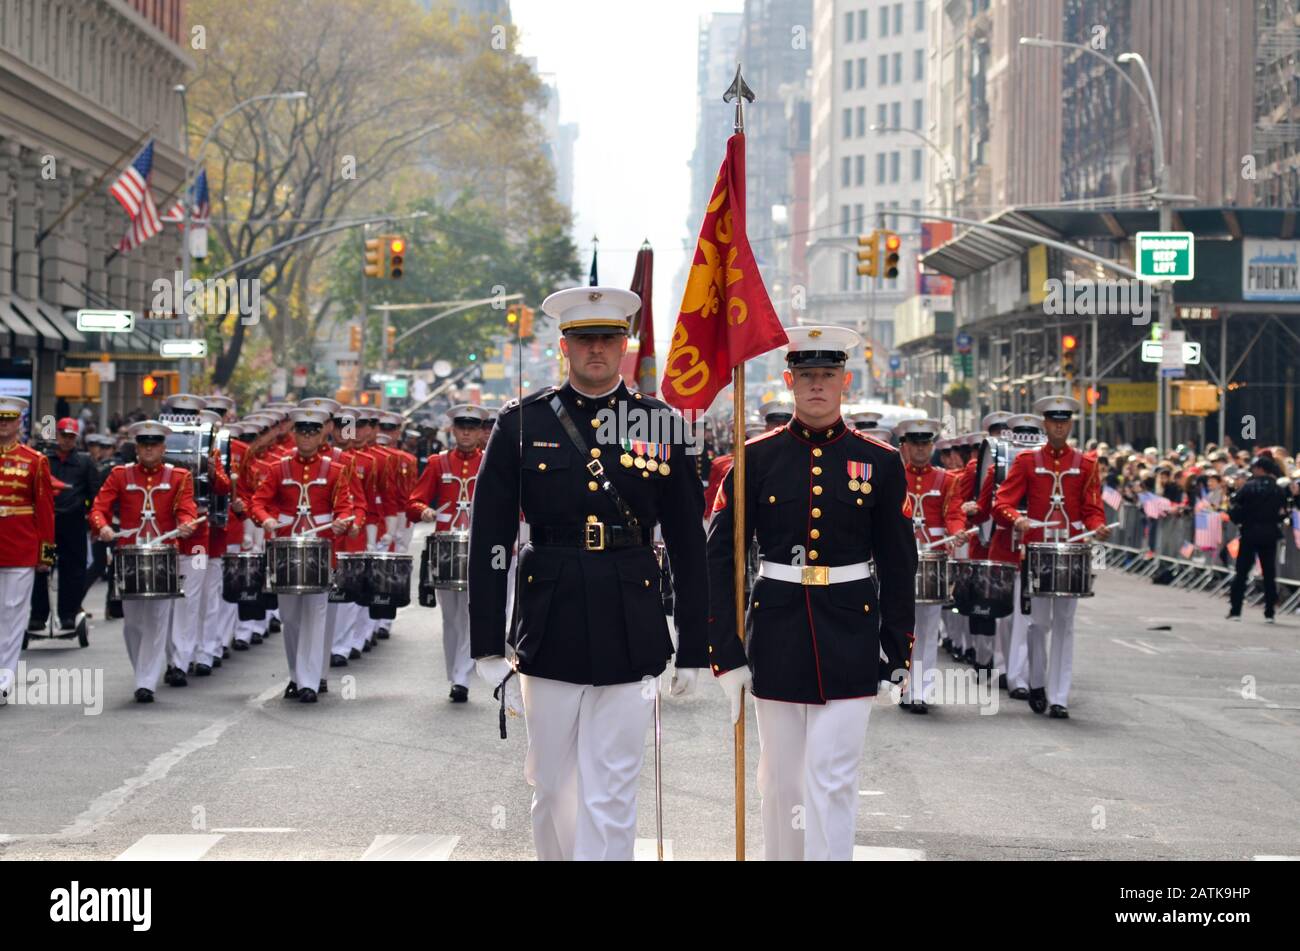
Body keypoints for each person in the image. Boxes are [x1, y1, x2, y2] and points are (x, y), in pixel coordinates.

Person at [468, 286, 706, 861]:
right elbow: (491, 540)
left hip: (631, 617)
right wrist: (484, 643)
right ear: (564, 346)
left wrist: (696, 644)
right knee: (552, 786)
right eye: (584, 339)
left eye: (607, 338)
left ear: (625, 345)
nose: (596, 349)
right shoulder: (520, 424)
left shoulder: (662, 425)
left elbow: (687, 542)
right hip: (549, 621)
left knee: (613, 788)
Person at [706, 326, 915, 861]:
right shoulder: (752, 459)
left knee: (833, 775)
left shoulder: (882, 461)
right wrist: (724, 648)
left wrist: (898, 645)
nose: (817, 386)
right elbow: (723, 556)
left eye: (827, 376)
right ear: (787, 382)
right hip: (776, 629)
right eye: (806, 376)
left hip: (850, 631)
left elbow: (898, 560)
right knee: (779, 781)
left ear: (845, 380)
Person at [993, 396, 1109, 719]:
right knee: (1037, 624)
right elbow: (1002, 502)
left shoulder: (1086, 464)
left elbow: (1092, 509)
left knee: (1065, 626)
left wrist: (1098, 527)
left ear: (1070, 424)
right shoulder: (1028, 461)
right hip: (1037, 553)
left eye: (1064, 421)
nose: (1059, 426)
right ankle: (1038, 682)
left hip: (1071, 553)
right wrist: (1017, 519)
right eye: (1053, 421)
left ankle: (1059, 697)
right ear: (1045, 423)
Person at [89, 421, 198, 702]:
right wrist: (102, 527)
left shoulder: (179, 476)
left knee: (158, 619)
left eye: (154, 445)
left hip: (163, 554)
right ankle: (143, 671)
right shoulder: (120, 475)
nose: (149, 450)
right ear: (136, 448)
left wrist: (186, 524)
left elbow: (187, 509)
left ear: (163, 448)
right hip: (130, 554)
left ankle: (146, 682)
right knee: (133, 623)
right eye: (144, 445)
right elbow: (99, 508)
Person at [251, 407, 355, 704]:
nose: (307, 437)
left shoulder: (334, 470)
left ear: (322, 433)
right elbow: (259, 502)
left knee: (315, 616)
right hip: (286, 550)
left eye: (313, 432)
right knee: (291, 619)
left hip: (319, 551)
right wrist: (266, 519)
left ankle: (309, 682)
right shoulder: (278, 469)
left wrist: (341, 520)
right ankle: (297, 675)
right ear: (294, 434)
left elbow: (345, 505)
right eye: (302, 432)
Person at [407, 404, 487, 700]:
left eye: (472, 427)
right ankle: (454, 670)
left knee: (470, 612)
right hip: (445, 546)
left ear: (480, 432)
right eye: (461, 427)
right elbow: (414, 501)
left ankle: (462, 677)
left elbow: (508, 502)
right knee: (450, 617)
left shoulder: (490, 462)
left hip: (477, 544)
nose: (466, 432)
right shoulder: (438, 463)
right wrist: (424, 510)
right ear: (453, 430)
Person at [894, 418, 967, 712]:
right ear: (905, 447)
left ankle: (922, 691)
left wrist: (957, 531)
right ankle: (904, 686)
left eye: (925, 444)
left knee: (929, 626)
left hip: (933, 555)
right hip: (901, 554)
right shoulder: (895, 476)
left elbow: (954, 513)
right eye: (915, 444)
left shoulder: (947, 479)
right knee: (903, 626)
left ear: (932, 446)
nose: (921, 449)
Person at [0, 397, 56, 706]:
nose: (4, 424)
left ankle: (4, 679)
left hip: (21, 546)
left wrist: (45, 555)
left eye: (9, 419)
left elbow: (45, 510)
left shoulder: (34, 460)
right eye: (0, 419)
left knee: (12, 614)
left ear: (19, 422)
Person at [29, 417, 100, 634]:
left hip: (73, 524)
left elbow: (94, 493)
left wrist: (92, 520)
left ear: (76, 439)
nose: (67, 440)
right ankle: (38, 616)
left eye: (71, 437)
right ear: (56, 435)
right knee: (42, 567)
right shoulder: (44, 460)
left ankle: (68, 614)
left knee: (73, 570)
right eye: (63, 435)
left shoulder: (85, 463)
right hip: (48, 525)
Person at [1226, 454, 1288, 623]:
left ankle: (1236, 610)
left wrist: (1238, 519)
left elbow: (1235, 506)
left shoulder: (1249, 487)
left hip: (1250, 533)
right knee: (1269, 573)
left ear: (1260, 469)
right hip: (1269, 533)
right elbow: (1283, 512)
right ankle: (1269, 612)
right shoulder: (1278, 489)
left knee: (1242, 572)